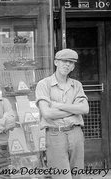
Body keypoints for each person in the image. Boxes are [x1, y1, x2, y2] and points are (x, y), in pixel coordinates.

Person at [35, 49, 89, 179]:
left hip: (76, 134)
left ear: (73, 66)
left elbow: (84, 109)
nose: (67, 65)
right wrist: (72, 110)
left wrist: (59, 106)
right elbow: (47, 113)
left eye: (71, 62)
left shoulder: (76, 85)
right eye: (64, 61)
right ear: (55, 62)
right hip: (55, 134)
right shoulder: (44, 84)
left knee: (78, 176)